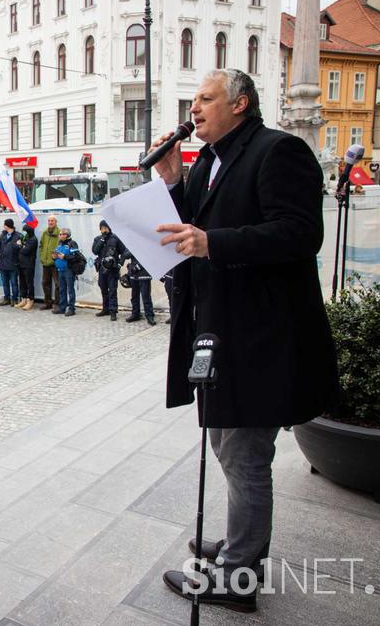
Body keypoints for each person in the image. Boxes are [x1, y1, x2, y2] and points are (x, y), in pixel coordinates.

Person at [152, 69, 339, 611]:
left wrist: (214, 243)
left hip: (262, 336)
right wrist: (171, 182)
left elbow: (302, 233)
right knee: (230, 445)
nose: (194, 109)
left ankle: (238, 577)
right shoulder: (209, 160)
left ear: (241, 104)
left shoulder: (277, 151)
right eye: (192, 101)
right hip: (221, 329)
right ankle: (242, 542)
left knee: (244, 452)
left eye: (205, 99)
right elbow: (190, 227)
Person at [92, 220, 123, 321]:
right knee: (103, 289)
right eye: (102, 228)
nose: (104, 230)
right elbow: (95, 251)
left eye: (105, 228)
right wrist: (102, 240)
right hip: (102, 269)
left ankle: (113, 311)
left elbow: (124, 252)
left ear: (109, 228)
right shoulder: (98, 239)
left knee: (112, 290)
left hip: (113, 269)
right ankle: (105, 309)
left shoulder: (115, 238)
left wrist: (119, 264)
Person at [52, 228, 80, 316]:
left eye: (62, 234)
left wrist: (65, 257)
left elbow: (76, 257)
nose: (60, 236)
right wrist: (54, 257)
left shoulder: (72, 243)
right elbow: (57, 256)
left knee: (70, 290)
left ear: (67, 235)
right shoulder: (59, 244)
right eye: (60, 234)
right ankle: (62, 308)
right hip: (60, 270)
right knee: (62, 289)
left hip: (69, 270)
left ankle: (71, 308)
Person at [122, 253, 156, 326]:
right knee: (134, 296)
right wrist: (132, 250)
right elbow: (125, 255)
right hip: (133, 275)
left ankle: (150, 316)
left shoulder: (147, 244)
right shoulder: (132, 244)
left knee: (146, 297)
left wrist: (137, 267)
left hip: (144, 274)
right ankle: (135, 314)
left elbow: (150, 257)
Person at [17, 224, 38, 311]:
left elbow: (25, 251)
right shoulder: (26, 238)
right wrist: (22, 245)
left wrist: (20, 245)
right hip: (21, 263)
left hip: (29, 264)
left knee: (29, 283)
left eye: (25, 231)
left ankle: (30, 300)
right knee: (22, 282)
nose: (24, 233)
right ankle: (24, 299)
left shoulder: (33, 239)